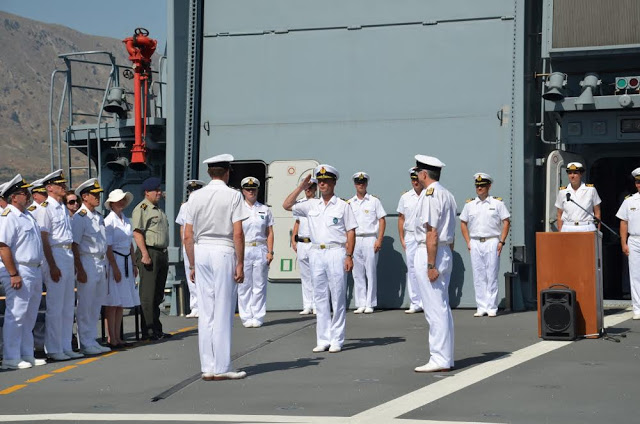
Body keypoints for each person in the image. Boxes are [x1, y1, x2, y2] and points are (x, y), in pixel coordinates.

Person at [183, 153, 249, 381]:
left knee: (206, 311)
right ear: (227, 171)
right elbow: (238, 233)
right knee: (222, 309)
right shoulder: (233, 196)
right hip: (223, 249)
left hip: (201, 251)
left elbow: (187, 236)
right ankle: (222, 366)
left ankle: (208, 366)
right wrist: (240, 262)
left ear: (210, 173)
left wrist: (192, 263)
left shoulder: (195, 197)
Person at [283, 164, 357, 353]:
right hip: (316, 251)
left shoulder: (342, 205)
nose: (323, 184)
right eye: (320, 181)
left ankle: (337, 339)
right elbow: (286, 205)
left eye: (326, 181)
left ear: (334, 182)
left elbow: (350, 232)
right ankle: (323, 338)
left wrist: (349, 255)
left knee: (338, 296)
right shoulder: (311, 205)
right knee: (320, 296)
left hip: (336, 251)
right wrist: (301, 187)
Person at [412, 155, 457, 373]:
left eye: (418, 172)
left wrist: (431, 265)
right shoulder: (446, 194)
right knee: (442, 306)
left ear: (423, 174)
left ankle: (439, 358)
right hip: (444, 250)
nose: (417, 176)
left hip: (432, 252)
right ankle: (445, 356)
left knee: (434, 308)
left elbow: (432, 232)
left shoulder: (430, 195)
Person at [36, 169, 84, 361]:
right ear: (49, 188)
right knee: (55, 306)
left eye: (63, 184)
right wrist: (52, 265)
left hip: (66, 253)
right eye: (60, 184)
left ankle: (65, 346)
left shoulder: (62, 207)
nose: (63, 187)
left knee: (66, 306)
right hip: (55, 253)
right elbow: (44, 238)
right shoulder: (45, 208)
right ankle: (54, 348)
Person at [0, 175, 46, 369]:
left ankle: (26, 353)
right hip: (19, 268)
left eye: (27, 192)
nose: (27, 196)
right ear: (13, 197)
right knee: (16, 314)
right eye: (23, 193)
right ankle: (11, 356)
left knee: (30, 314)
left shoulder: (27, 215)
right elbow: (3, 246)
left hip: (34, 269)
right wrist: (13, 273)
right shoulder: (9, 216)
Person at [459, 173, 511, 317]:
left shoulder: (497, 203)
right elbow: (463, 222)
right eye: (477, 186)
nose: (479, 188)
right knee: (478, 275)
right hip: (476, 241)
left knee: (492, 274)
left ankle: (492, 307)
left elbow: (506, 221)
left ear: (489, 186)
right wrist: (468, 241)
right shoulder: (469, 205)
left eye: (482, 185)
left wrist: (502, 240)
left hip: (492, 240)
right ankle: (481, 306)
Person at [71, 178, 110, 355]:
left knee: (96, 303)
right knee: (85, 304)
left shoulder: (98, 216)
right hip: (87, 261)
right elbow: (75, 244)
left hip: (100, 261)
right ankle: (85, 342)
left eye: (98, 194)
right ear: (85, 196)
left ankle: (92, 339)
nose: (98, 198)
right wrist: (80, 268)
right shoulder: (80, 217)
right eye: (94, 195)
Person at [132, 176, 171, 341]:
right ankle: (148, 330)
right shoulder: (142, 208)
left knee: (157, 294)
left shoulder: (158, 210)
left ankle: (156, 328)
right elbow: (137, 232)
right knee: (148, 294)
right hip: (150, 252)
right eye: (156, 190)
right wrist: (145, 254)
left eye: (160, 190)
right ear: (147, 192)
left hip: (161, 253)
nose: (159, 193)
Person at [104, 189, 139, 347]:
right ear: (112, 204)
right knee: (112, 303)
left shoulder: (126, 220)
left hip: (125, 260)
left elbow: (130, 244)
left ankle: (118, 337)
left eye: (123, 200)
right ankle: (112, 337)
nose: (122, 202)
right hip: (115, 260)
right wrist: (114, 267)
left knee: (120, 303)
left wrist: (134, 263)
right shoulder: (109, 221)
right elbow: (108, 247)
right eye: (119, 200)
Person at [238, 176, 274, 328]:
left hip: (260, 247)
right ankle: (246, 316)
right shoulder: (238, 209)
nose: (251, 192)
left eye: (253, 189)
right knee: (244, 284)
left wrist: (270, 251)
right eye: (248, 189)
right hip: (244, 248)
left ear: (258, 190)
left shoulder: (264, 209)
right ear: (243, 191)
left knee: (259, 284)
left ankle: (258, 315)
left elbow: (270, 232)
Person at [348, 172, 386, 314]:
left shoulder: (374, 201)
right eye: (358, 182)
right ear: (355, 184)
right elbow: (347, 224)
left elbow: (382, 220)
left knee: (370, 271)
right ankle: (361, 303)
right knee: (357, 273)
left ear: (367, 184)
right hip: (355, 239)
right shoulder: (350, 203)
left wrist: (379, 239)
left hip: (370, 238)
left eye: (363, 182)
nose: (361, 185)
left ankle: (370, 303)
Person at [175, 179, 206, 318]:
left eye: (196, 191)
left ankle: (205, 305)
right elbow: (182, 226)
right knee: (190, 275)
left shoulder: (206, 205)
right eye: (191, 191)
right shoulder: (185, 207)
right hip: (189, 245)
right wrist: (184, 243)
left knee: (204, 275)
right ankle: (195, 306)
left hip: (202, 244)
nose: (193, 193)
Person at [397, 167, 424, 314]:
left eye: (417, 179)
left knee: (426, 268)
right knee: (412, 269)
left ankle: (426, 301)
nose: (415, 182)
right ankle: (415, 302)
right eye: (412, 179)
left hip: (425, 237)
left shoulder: (429, 195)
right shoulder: (405, 197)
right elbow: (401, 219)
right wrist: (402, 238)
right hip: (411, 236)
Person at [616, 167, 640, 320]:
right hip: (634, 240)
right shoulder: (629, 201)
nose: (639, 184)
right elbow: (623, 223)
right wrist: (623, 242)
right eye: (638, 181)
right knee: (635, 275)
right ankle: (637, 308)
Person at [291, 178, 317, 315]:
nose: (308, 190)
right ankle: (307, 304)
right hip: (302, 242)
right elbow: (297, 222)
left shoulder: (318, 203)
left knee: (316, 275)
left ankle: (316, 304)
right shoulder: (299, 203)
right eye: (306, 187)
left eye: (311, 187)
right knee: (305, 275)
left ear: (315, 189)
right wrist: (293, 239)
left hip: (314, 243)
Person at [555, 162, 601, 232]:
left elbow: (597, 212)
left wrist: (598, 231)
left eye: (575, 173)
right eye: (570, 173)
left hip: (586, 227)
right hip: (568, 228)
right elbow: (559, 214)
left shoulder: (591, 190)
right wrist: (560, 231)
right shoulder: (563, 191)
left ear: (581, 174)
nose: (572, 176)